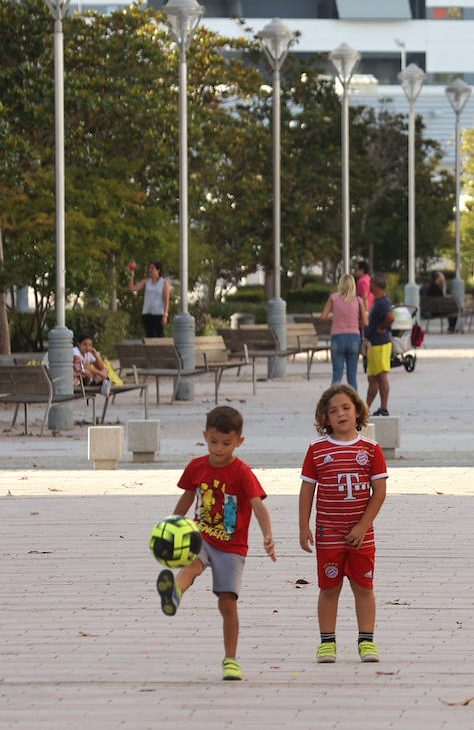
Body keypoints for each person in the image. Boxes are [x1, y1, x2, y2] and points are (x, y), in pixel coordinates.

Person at [156, 405, 276, 681]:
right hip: (202, 536)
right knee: (191, 567)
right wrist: (174, 523)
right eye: (213, 442)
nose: (219, 448)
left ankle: (230, 660)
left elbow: (258, 506)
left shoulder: (242, 472)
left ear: (239, 441)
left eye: (226, 443)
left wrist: (268, 535)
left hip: (232, 546)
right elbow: (188, 497)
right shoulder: (197, 466)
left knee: (227, 603)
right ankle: (173, 593)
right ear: (204, 436)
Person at [299, 384, 388, 665]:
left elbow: (380, 492)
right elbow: (307, 491)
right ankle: (327, 643)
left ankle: (366, 642)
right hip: (329, 535)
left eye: (346, 407)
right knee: (329, 587)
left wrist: (363, 526)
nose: (340, 414)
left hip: (362, 535)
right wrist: (304, 526)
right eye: (333, 410)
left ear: (358, 411)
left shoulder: (371, 450)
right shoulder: (316, 451)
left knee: (364, 587)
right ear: (324, 418)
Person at [320, 275, 366, 390]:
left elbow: (323, 316)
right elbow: (366, 322)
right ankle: (354, 404)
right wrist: (355, 324)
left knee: (337, 374)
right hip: (354, 338)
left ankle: (332, 403)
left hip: (337, 338)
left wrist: (333, 321)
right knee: (352, 376)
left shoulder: (333, 298)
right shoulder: (358, 300)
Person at [363, 273, 395, 417]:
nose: (369, 286)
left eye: (371, 284)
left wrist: (381, 327)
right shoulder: (378, 300)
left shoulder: (383, 302)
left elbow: (391, 317)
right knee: (373, 378)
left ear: (375, 285)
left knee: (381, 376)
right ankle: (366, 407)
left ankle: (384, 407)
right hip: (374, 343)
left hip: (380, 344)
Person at [129, 261, 170, 338]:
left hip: (158, 314)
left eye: (152, 268)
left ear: (158, 270)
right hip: (147, 313)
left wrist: (165, 315)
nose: (150, 270)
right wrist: (131, 276)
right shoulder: (146, 281)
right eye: (149, 268)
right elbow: (133, 288)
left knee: (159, 336)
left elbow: (166, 300)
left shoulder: (164, 282)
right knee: (149, 336)